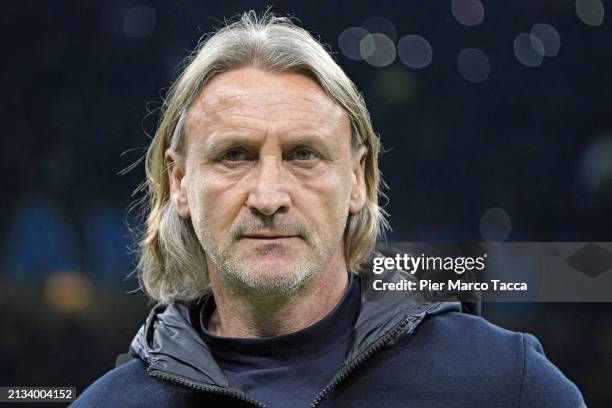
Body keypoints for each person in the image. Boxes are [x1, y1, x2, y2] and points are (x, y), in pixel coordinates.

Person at [72, 11, 585, 407]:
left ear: (358, 179)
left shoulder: (502, 382)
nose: (269, 197)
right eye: (235, 155)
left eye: (303, 155)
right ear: (180, 181)